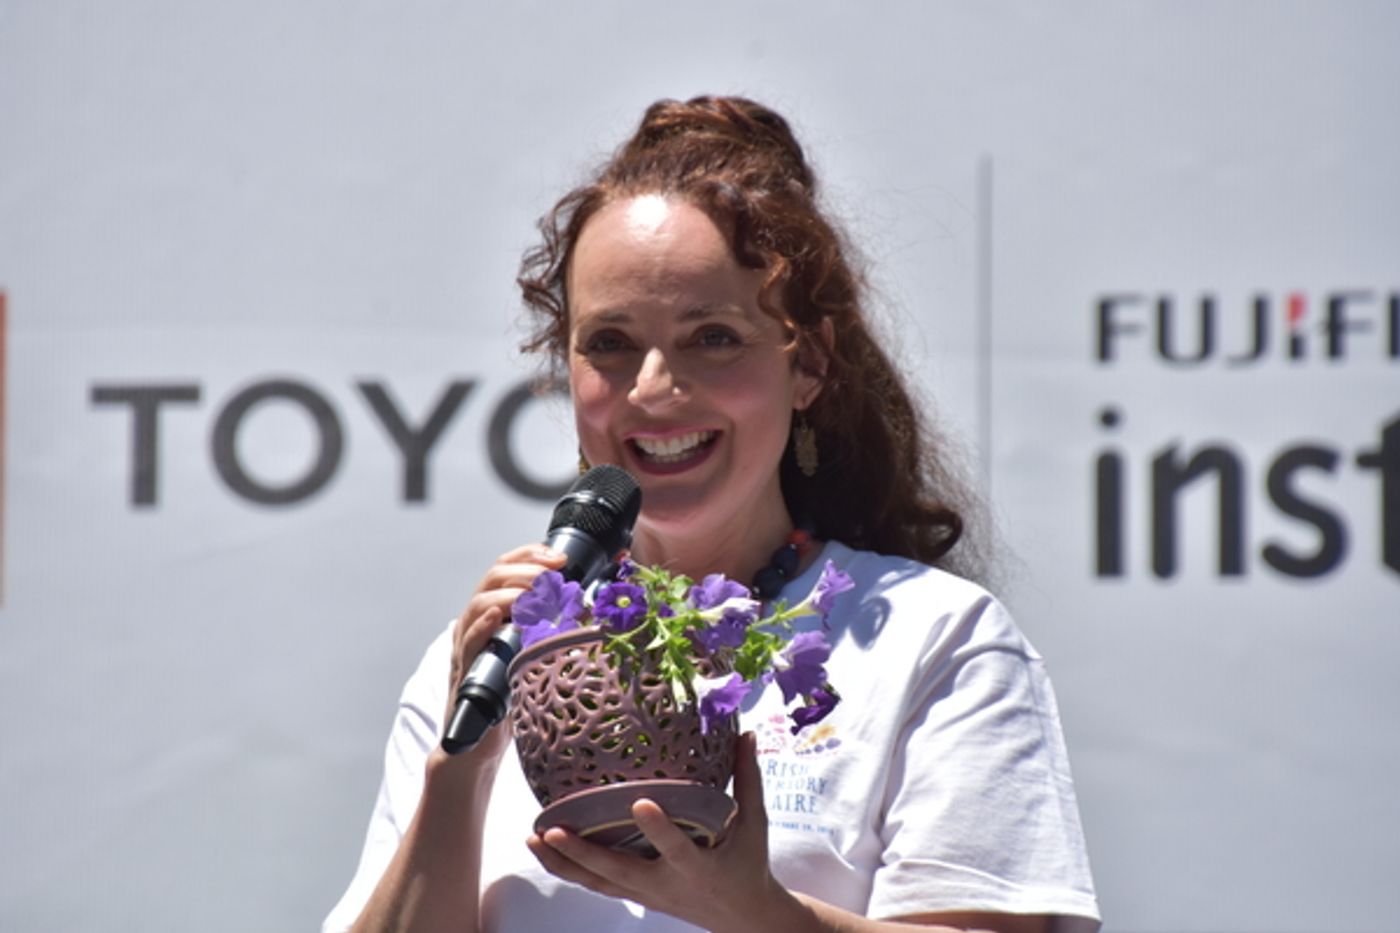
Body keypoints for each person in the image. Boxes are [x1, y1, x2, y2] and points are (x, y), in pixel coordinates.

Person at [324, 95, 1100, 933]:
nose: (655, 388)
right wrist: (461, 766)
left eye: (714, 337)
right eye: (611, 342)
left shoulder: (935, 638)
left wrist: (758, 913)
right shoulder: (488, 657)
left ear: (809, 366)